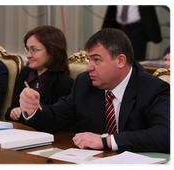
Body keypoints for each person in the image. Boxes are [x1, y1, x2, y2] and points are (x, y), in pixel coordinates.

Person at [18, 28, 171, 153]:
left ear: (120, 61)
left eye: (96, 60)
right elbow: (56, 117)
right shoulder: (85, 83)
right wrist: (33, 110)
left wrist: (106, 140)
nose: (89, 67)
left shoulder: (152, 88)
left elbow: (166, 135)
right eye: (89, 59)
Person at [5, 25, 74, 121]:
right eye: (27, 49)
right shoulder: (26, 73)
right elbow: (11, 109)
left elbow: (60, 121)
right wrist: (13, 112)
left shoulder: (65, 83)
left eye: (34, 50)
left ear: (52, 51)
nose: (28, 55)